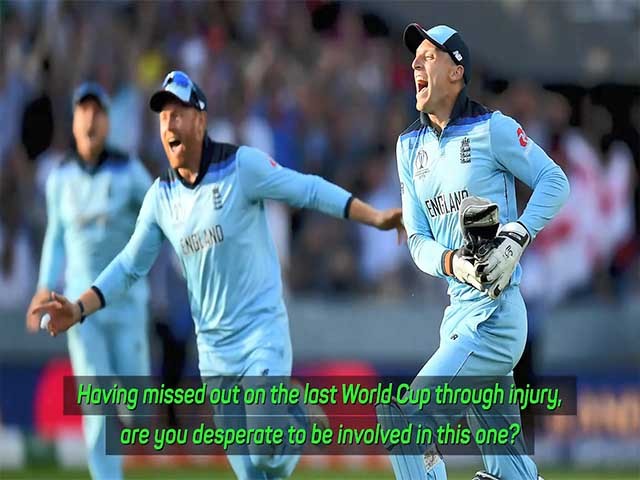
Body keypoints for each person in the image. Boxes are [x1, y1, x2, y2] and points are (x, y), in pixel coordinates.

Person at [32, 70, 404, 479]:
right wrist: (78, 309)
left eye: (178, 114)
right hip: (214, 354)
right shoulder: (161, 198)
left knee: (264, 451)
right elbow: (128, 265)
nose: (169, 125)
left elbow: (309, 190)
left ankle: (294, 414)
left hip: (261, 335)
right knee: (255, 474)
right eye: (163, 117)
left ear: (201, 121)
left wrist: (375, 216)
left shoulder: (241, 167)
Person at [375, 24, 570, 480]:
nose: (415, 63)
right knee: (510, 470)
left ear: (456, 71)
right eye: (414, 57)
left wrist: (517, 235)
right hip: (458, 318)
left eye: (428, 56)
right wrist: (454, 263)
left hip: (496, 319)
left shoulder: (493, 129)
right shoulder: (408, 147)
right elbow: (417, 240)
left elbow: (555, 181)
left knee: (408, 424)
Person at [25, 82, 152, 480]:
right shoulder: (60, 179)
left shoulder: (130, 171)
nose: (91, 119)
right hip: (80, 310)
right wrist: (44, 286)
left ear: (108, 122)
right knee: (97, 403)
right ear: (74, 121)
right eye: (84, 111)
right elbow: (55, 238)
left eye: (98, 112)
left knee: (138, 412)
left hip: (127, 305)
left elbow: (161, 217)